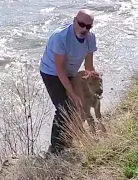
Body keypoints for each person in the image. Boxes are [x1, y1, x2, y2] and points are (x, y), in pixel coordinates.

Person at [39, 9, 98, 155]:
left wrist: (94, 81)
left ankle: (69, 139)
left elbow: (89, 66)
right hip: (51, 72)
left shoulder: (90, 38)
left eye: (88, 26)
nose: (84, 29)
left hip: (71, 72)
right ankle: (55, 150)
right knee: (64, 107)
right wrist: (72, 93)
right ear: (74, 20)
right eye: (81, 24)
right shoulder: (61, 37)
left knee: (80, 104)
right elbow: (60, 70)